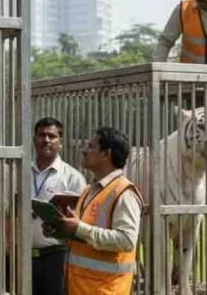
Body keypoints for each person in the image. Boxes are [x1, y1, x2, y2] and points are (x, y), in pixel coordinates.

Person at [44, 126, 143, 295]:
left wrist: (78, 228)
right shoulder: (89, 190)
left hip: (107, 290)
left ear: (106, 154)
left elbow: (126, 240)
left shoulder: (124, 193)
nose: (84, 151)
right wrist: (60, 231)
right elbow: (84, 240)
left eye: (91, 146)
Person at [30, 117, 86, 295]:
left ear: (60, 143)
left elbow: (81, 220)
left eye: (52, 136)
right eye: (41, 135)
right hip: (20, 256)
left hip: (56, 257)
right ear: (34, 140)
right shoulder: (20, 172)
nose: (46, 140)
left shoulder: (72, 177)